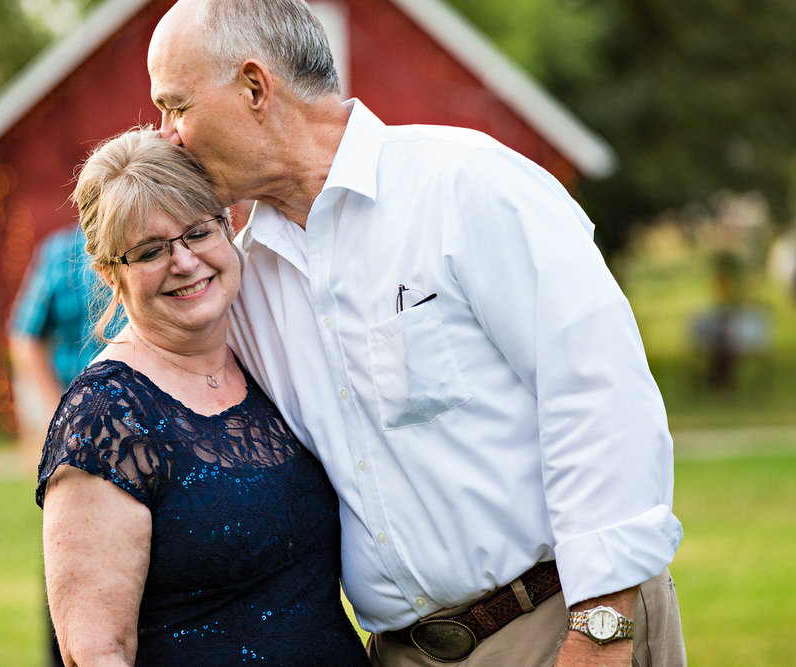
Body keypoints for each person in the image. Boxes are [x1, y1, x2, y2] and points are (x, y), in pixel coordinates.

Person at [147, 1, 687, 665]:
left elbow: (600, 396)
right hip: (400, 653)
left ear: (255, 87)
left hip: (563, 625)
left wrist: (602, 627)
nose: (165, 134)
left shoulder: (464, 185)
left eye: (175, 105)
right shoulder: (243, 278)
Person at [35, 129, 369, 666]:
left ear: (228, 227)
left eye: (197, 232)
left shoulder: (265, 356)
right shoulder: (105, 415)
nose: (185, 262)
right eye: (148, 251)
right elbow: (97, 652)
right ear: (109, 274)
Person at [8, 223, 109, 666]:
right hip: (76, 441)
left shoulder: (159, 239)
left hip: (152, 433)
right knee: (68, 570)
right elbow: (23, 334)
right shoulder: (59, 252)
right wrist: (59, 416)